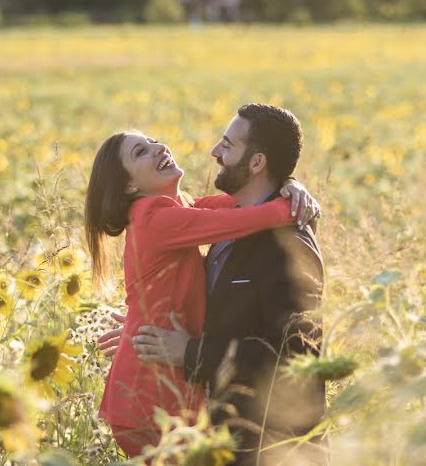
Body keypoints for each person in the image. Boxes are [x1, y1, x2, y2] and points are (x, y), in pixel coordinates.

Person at [110, 104, 326, 465]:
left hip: (271, 449)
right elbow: (215, 304)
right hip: (220, 437)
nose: (214, 152)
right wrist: (145, 327)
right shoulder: (224, 224)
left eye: (227, 145)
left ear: (256, 163)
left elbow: (296, 360)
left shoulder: (289, 248)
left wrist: (189, 352)